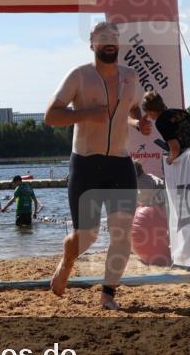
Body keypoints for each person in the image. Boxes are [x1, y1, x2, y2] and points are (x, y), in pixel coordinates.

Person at [44, 20, 152, 310]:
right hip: (86, 164)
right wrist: (87, 113)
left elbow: (131, 109)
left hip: (119, 163)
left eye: (113, 39)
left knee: (122, 233)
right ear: (91, 43)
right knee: (87, 236)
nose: (109, 43)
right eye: (102, 38)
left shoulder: (130, 77)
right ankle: (67, 262)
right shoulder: (79, 76)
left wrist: (137, 122)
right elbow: (51, 116)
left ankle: (108, 294)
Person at [140, 91, 190, 165]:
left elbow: (175, 148)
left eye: (146, 113)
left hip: (189, 162)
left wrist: (169, 160)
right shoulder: (181, 112)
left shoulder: (160, 122)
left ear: (150, 111)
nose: (147, 116)